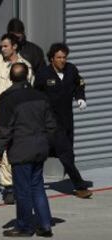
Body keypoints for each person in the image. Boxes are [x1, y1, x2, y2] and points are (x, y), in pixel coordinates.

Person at [0, 63, 56, 237]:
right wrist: (46, 144)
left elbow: (3, 129)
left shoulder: (8, 98)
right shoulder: (41, 96)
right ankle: (45, 225)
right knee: (38, 187)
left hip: (21, 150)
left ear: (11, 78)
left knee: (22, 190)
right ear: (27, 76)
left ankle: (24, 227)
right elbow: (51, 125)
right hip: (40, 148)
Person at [34, 43, 92, 199]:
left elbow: (79, 84)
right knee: (65, 154)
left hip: (67, 119)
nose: (62, 60)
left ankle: (32, 182)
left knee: (58, 154)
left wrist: (80, 98)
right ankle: (80, 187)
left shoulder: (71, 70)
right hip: (51, 121)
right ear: (52, 58)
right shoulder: (43, 74)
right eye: (59, 57)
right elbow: (36, 95)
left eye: (64, 57)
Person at [0, 33, 33, 204]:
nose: (2, 49)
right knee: (2, 148)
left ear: (14, 47)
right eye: (2, 46)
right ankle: (8, 187)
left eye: (6, 46)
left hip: (17, 110)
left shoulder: (24, 66)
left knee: (16, 147)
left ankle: (17, 184)